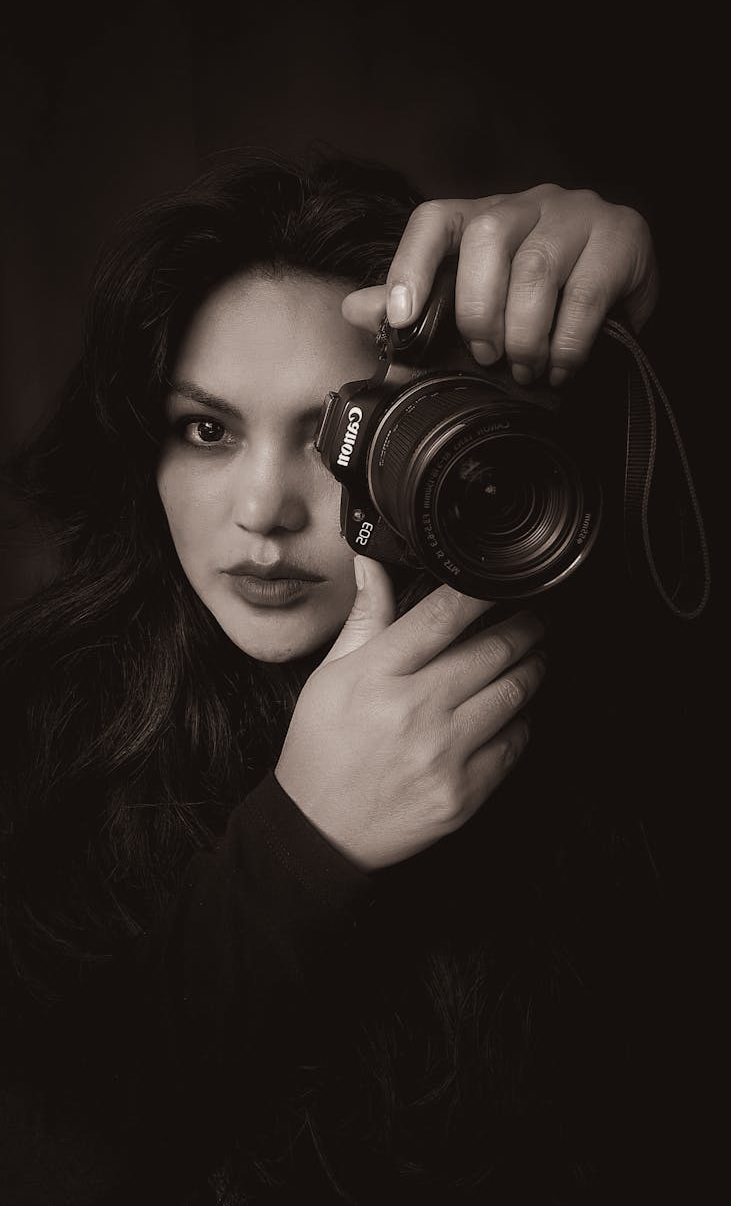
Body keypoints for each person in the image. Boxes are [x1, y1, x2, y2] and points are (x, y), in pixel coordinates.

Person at [0, 151, 688, 1204]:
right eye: (206, 430)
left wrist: (636, 326)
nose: (263, 511)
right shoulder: (34, 730)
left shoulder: (586, 701)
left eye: (334, 435)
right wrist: (305, 837)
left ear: (435, 439)